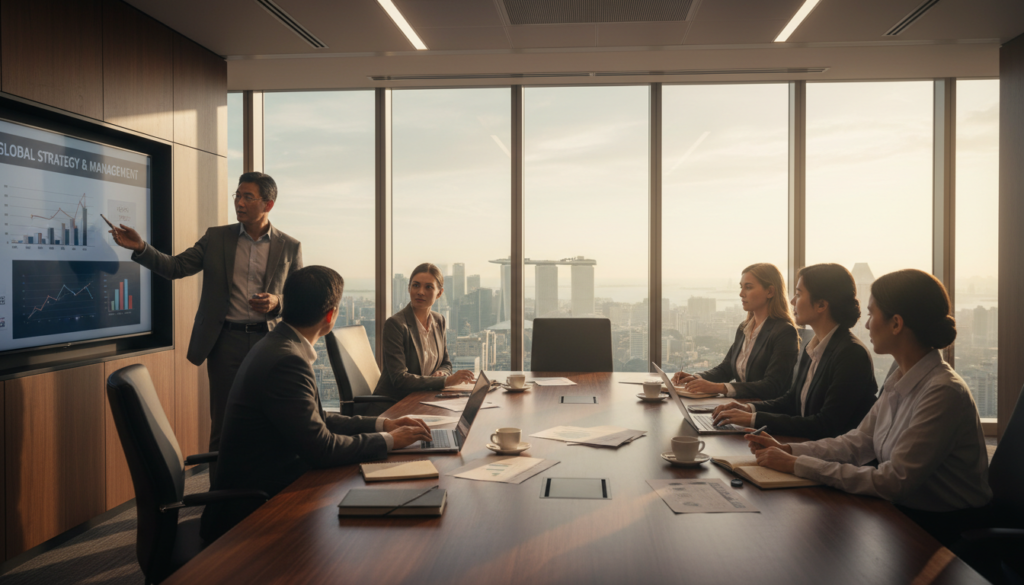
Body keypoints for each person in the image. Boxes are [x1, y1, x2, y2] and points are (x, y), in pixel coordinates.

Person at [746, 269, 991, 546]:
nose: (866, 325)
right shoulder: (899, 377)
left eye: (873, 315)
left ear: (896, 323)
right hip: (901, 516)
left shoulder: (943, 392)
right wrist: (790, 450)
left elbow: (894, 481)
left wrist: (798, 464)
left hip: (944, 533)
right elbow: (858, 442)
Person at [200, 266, 432, 542]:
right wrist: (389, 441)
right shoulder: (287, 360)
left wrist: (384, 424)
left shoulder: (280, 345)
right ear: (331, 315)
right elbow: (322, 448)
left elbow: (320, 419)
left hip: (276, 487)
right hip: (255, 515)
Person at [109, 172, 301, 483]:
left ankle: (266, 493)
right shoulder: (217, 237)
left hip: (270, 344)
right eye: (236, 195)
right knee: (224, 424)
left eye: (247, 197)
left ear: (269, 204)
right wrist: (142, 247)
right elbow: (175, 267)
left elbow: (298, 297)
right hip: (226, 342)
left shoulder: (289, 246)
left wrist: (277, 302)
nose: (238, 202)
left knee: (273, 419)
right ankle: (219, 501)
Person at [712, 263, 877, 440]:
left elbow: (826, 425)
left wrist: (754, 419)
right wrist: (748, 408)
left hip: (829, 457)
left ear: (821, 305)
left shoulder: (851, 355)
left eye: (798, 295)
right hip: (806, 445)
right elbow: (792, 400)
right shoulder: (814, 347)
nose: (792, 301)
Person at [672, 263, 799, 401]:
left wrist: (719, 388)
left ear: (770, 291)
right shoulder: (744, 328)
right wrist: (696, 378)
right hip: (739, 406)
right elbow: (727, 369)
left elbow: (772, 386)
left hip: (764, 413)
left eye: (748, 287)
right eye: (741, 287)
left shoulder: (784, 332)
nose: (741, 293)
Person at [374, 263, 475, 400]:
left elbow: (446, 363)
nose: (420, 292)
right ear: (409, 288)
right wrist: (446, 381)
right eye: (415, 285)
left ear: (439, 293)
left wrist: (441, 373)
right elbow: (399, 379)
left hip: (426, 398)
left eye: (428, 287)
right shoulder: (396, 324)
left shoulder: (439, 321)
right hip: (396, 404)